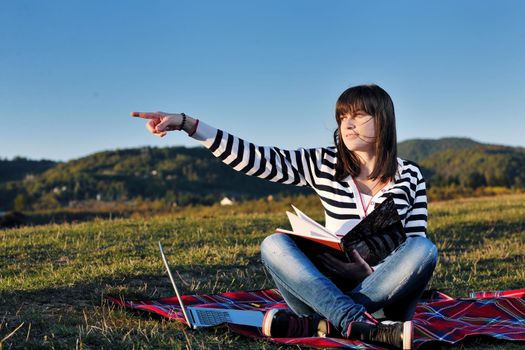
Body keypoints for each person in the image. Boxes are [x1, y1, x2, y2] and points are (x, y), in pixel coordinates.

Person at [131, 84, 438, 350]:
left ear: (382, 118)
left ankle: (329, 323)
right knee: (273, 245)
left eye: (358, 115)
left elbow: (413, 246)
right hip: (323, 290)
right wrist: (189, 124)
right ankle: (355, 322)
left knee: (424, 249)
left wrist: (368, 272)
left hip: (385, 296)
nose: (348, 124)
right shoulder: (324, 162)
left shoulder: (409, 174)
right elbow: (258, 159)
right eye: (343, 117)